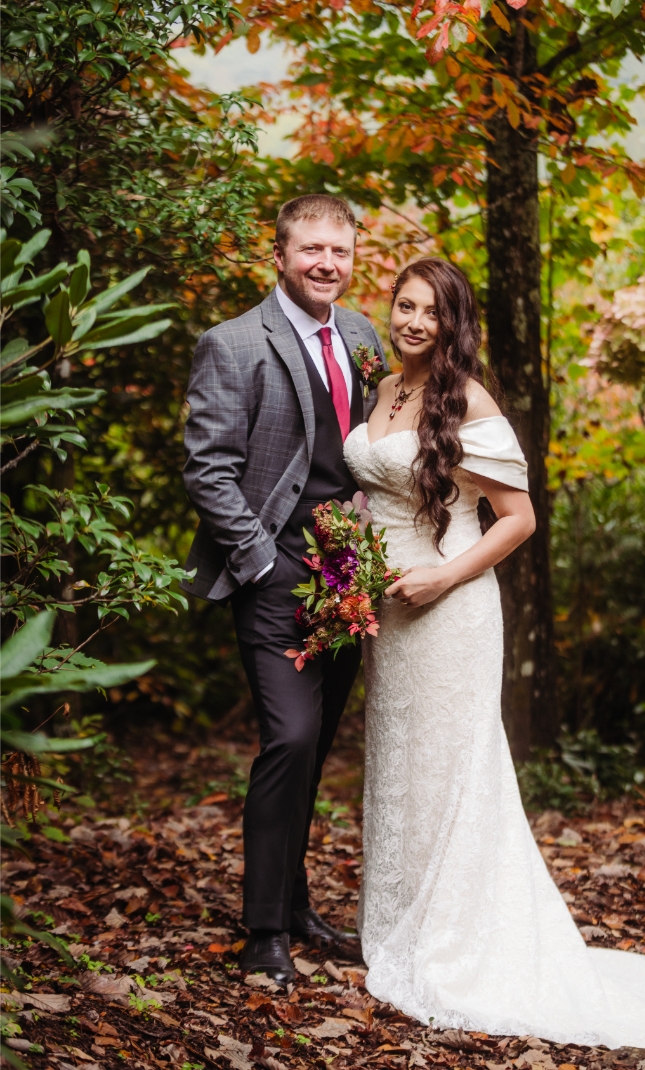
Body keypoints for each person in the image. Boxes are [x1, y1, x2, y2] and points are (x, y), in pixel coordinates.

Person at [343, 258, 645, 1049]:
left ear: (453, 322)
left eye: (433, 311)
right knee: (402, 764)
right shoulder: (385, 390)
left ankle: (459, 940)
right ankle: (399, 924)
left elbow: (517, 517)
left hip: (449, 605)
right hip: (387, 615)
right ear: (390, 309)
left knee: (454, 766)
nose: (414, 321)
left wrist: (439, 579)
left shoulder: (466, 397)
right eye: (405, 305)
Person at [182, 194, 388, 985]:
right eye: (311, 250)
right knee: (290, 741)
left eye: (339, 250)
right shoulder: (232, 344)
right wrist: (262, 561)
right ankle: (263, 931)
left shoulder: (365, 333)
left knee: (316, 747)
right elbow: (208, 468)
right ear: (279, 255)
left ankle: (297, 903)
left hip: (349, 576)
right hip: (273, 575)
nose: (327, 264)